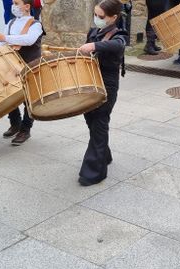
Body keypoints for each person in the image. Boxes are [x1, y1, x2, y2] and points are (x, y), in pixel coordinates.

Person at [77, 0, 127, 186]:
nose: (96, 19)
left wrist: (94, 46)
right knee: (91, 120)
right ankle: (103, 155)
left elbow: (118, 46)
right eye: (95, 15)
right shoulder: (94, 32)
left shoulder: (119, 34)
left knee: (99, 123)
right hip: (90, 82)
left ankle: (93, 172)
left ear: (113, 17)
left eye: (100, 16)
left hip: (107, 86)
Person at [0, 0, 44, 145]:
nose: (13, 6)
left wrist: (5, 38)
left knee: (29, 99)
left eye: (16, 3)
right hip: (11, 66)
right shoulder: (10, 23)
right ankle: (15, 123)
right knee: (8, 92)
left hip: (30, 66)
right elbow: (1, 42)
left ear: (27, 6)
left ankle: (25, 129)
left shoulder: (36, 25)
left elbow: (28, 40)